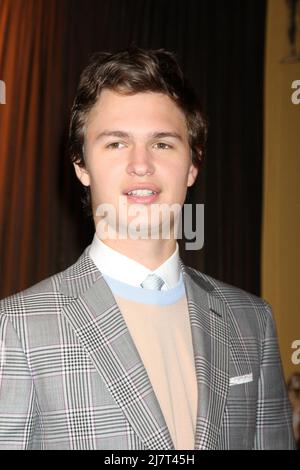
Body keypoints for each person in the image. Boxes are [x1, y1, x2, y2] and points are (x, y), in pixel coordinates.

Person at [0, 47, 295, 450]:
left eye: (162, 144)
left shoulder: (252, 322)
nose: (141, 164)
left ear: (193, 164)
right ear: (80, 165)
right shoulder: (15, 329)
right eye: (116, 144)